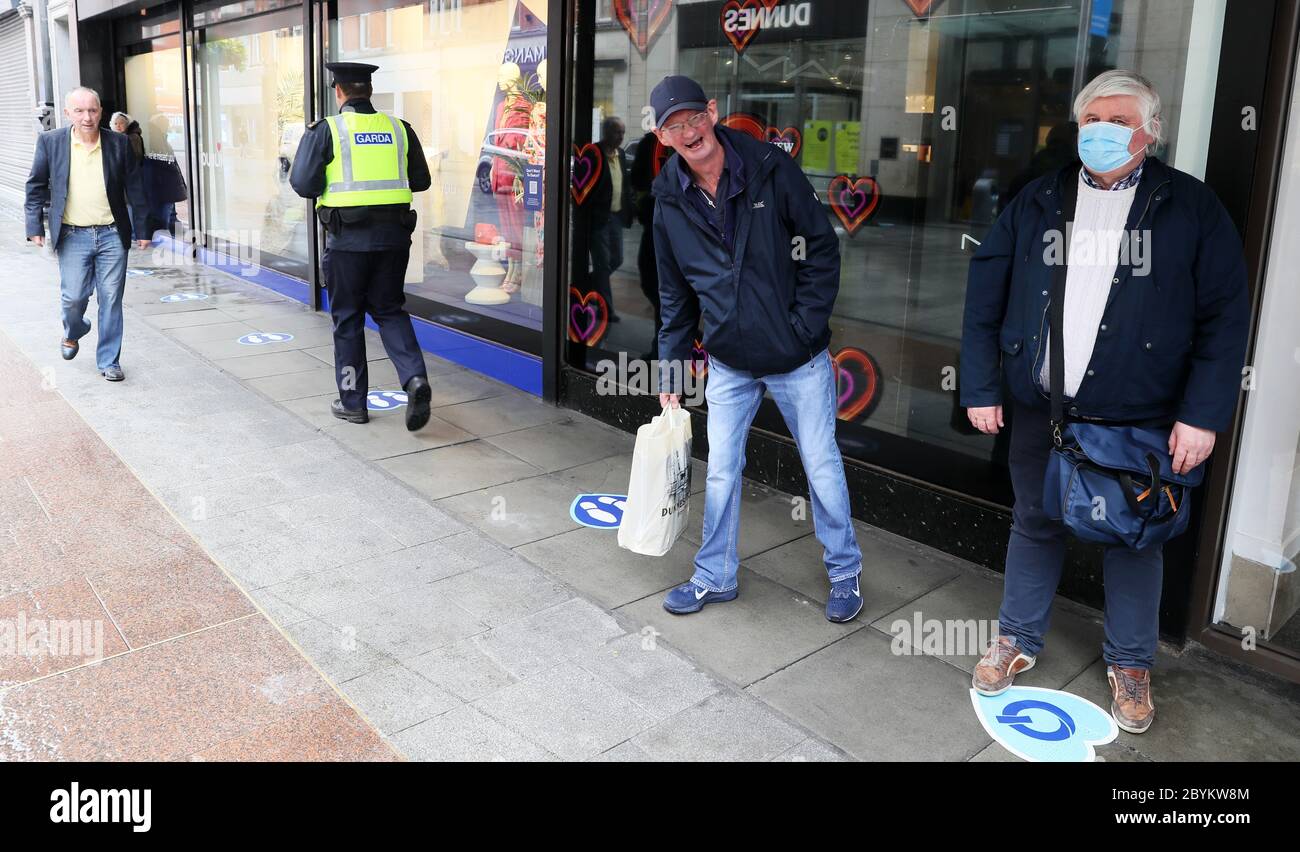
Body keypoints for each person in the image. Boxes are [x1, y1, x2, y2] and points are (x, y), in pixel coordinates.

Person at [960, 70, 1249, 734]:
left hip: (1141, 418)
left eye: (1118, 121)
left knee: (1137, 542)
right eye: (1091, 120)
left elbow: (1225, 321)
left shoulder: (1192, 210)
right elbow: (985, 299)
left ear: (1152, 131)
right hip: (1045, 410)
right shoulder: (1037, 200)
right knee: (1034, 519)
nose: (1101, 132)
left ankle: (1130, 663)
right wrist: (979, 387)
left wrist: (1203, 414)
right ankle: (1016, 638)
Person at [650, 75, 865, 622]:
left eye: (695, 117)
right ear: (662, 135)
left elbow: (821, 248)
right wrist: (672, 373)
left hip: (798, 359)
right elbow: (674, 296)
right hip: (728, 362)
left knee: (820, 466)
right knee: (721, 470)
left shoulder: (770, 167)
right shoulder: (669, 200)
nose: (690, 131)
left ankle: (845, 573)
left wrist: (801, 326)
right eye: (675, 125)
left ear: (714, 112)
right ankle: (714, 575)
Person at [289, 61, 433, 431]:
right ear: (369, 91)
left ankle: (353, 402)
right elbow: (420, 180)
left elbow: (304, 184)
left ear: (339, 92)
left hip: (347, 244)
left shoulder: (328, 130)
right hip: (394, 240)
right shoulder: (399, 129)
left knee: (348, 319)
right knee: (390, 310)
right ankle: (415, 379)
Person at [25, 87, 150, 382]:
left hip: (111, 235)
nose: (87, 117)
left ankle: (109, 360)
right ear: (67, 113)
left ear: (100, 112)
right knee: (73, 298)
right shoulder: (50, 142)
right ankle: (75, 329)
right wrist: (33, 226)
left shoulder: (119, 144)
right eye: (79, 111)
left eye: (92, 110)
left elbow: (135, 188)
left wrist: (143, 227)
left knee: (110, 298)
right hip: (71, 235)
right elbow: (36, 185)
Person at [589, 116, 632, 322]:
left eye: (623, 133)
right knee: (603, 265)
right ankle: (606, 310)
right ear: (606, 133)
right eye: (617, 132)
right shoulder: (594, 153)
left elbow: (624, 186)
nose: (621, 137)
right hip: (598, 219)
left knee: (617, 260)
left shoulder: (621, 155)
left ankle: (584, 285)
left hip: (616, 217)